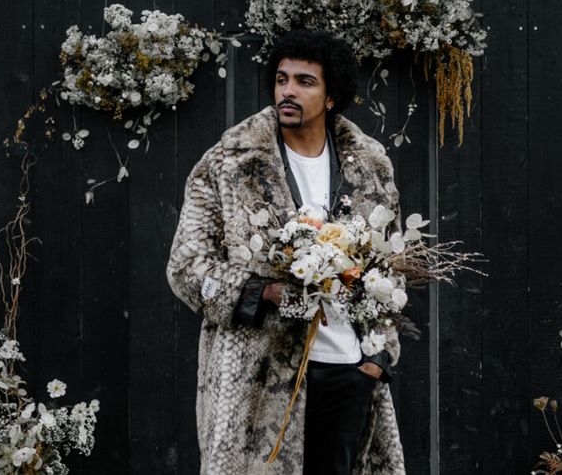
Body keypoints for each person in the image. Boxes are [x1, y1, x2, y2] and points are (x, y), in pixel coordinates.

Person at [166, 29, 411, 474]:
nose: (288, 91)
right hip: (257, 378)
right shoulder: (230, 162)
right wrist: (266, 293)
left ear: (332, 95)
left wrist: (377, 357)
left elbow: (389, 265)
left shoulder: (371, 165)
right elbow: (186, 265)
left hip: (349, 369)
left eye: (304, 81)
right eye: (281, 80)